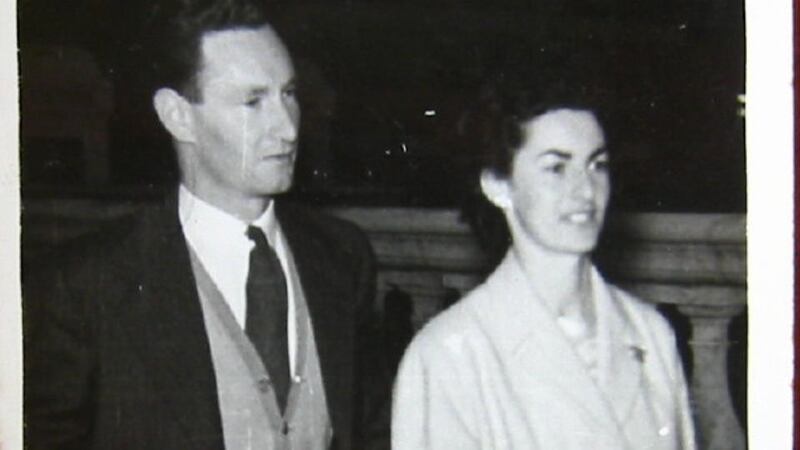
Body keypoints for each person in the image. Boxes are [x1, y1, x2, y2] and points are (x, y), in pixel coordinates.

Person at [23, 1, 387, 449]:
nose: (288, 128)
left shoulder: (342, 255)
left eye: (288, 94)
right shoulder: (83, 287)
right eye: (253, 101)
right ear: (177, 115)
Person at [391, 74, 697, 449]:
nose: (586, 190)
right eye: (556, 168)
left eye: (597, 165)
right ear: (498, 185)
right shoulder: (449, 355)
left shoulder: (650, 334)